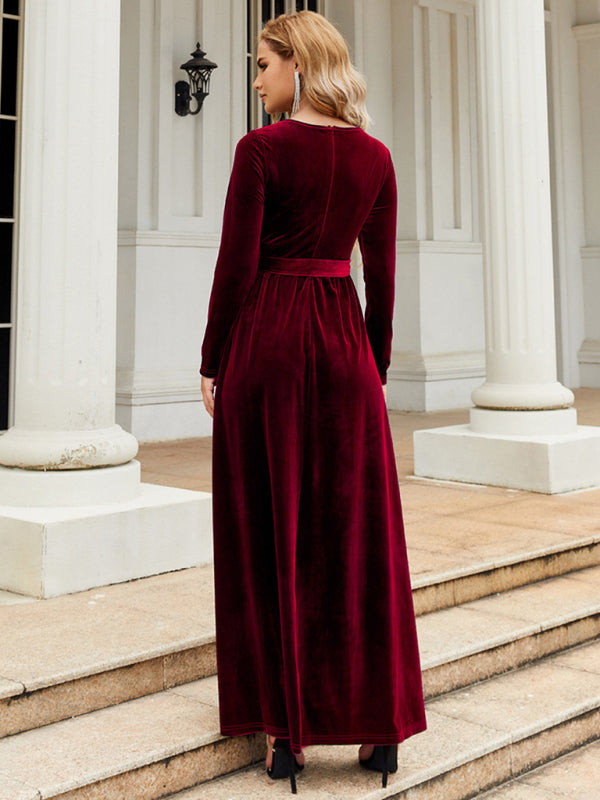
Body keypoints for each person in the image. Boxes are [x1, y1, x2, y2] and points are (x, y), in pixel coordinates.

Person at [200, 10, 426, 794]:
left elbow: (236, 264)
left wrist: (211, 358)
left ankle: (286, 735)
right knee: (356, 538)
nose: (256, 79)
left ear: (297, 66)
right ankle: (379, 728)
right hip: (346, 347)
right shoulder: (377, 158)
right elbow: (384, 279)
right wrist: (376, 361)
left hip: (267, 342)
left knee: (271, 533)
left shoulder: (260, 151)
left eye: (263, 65)